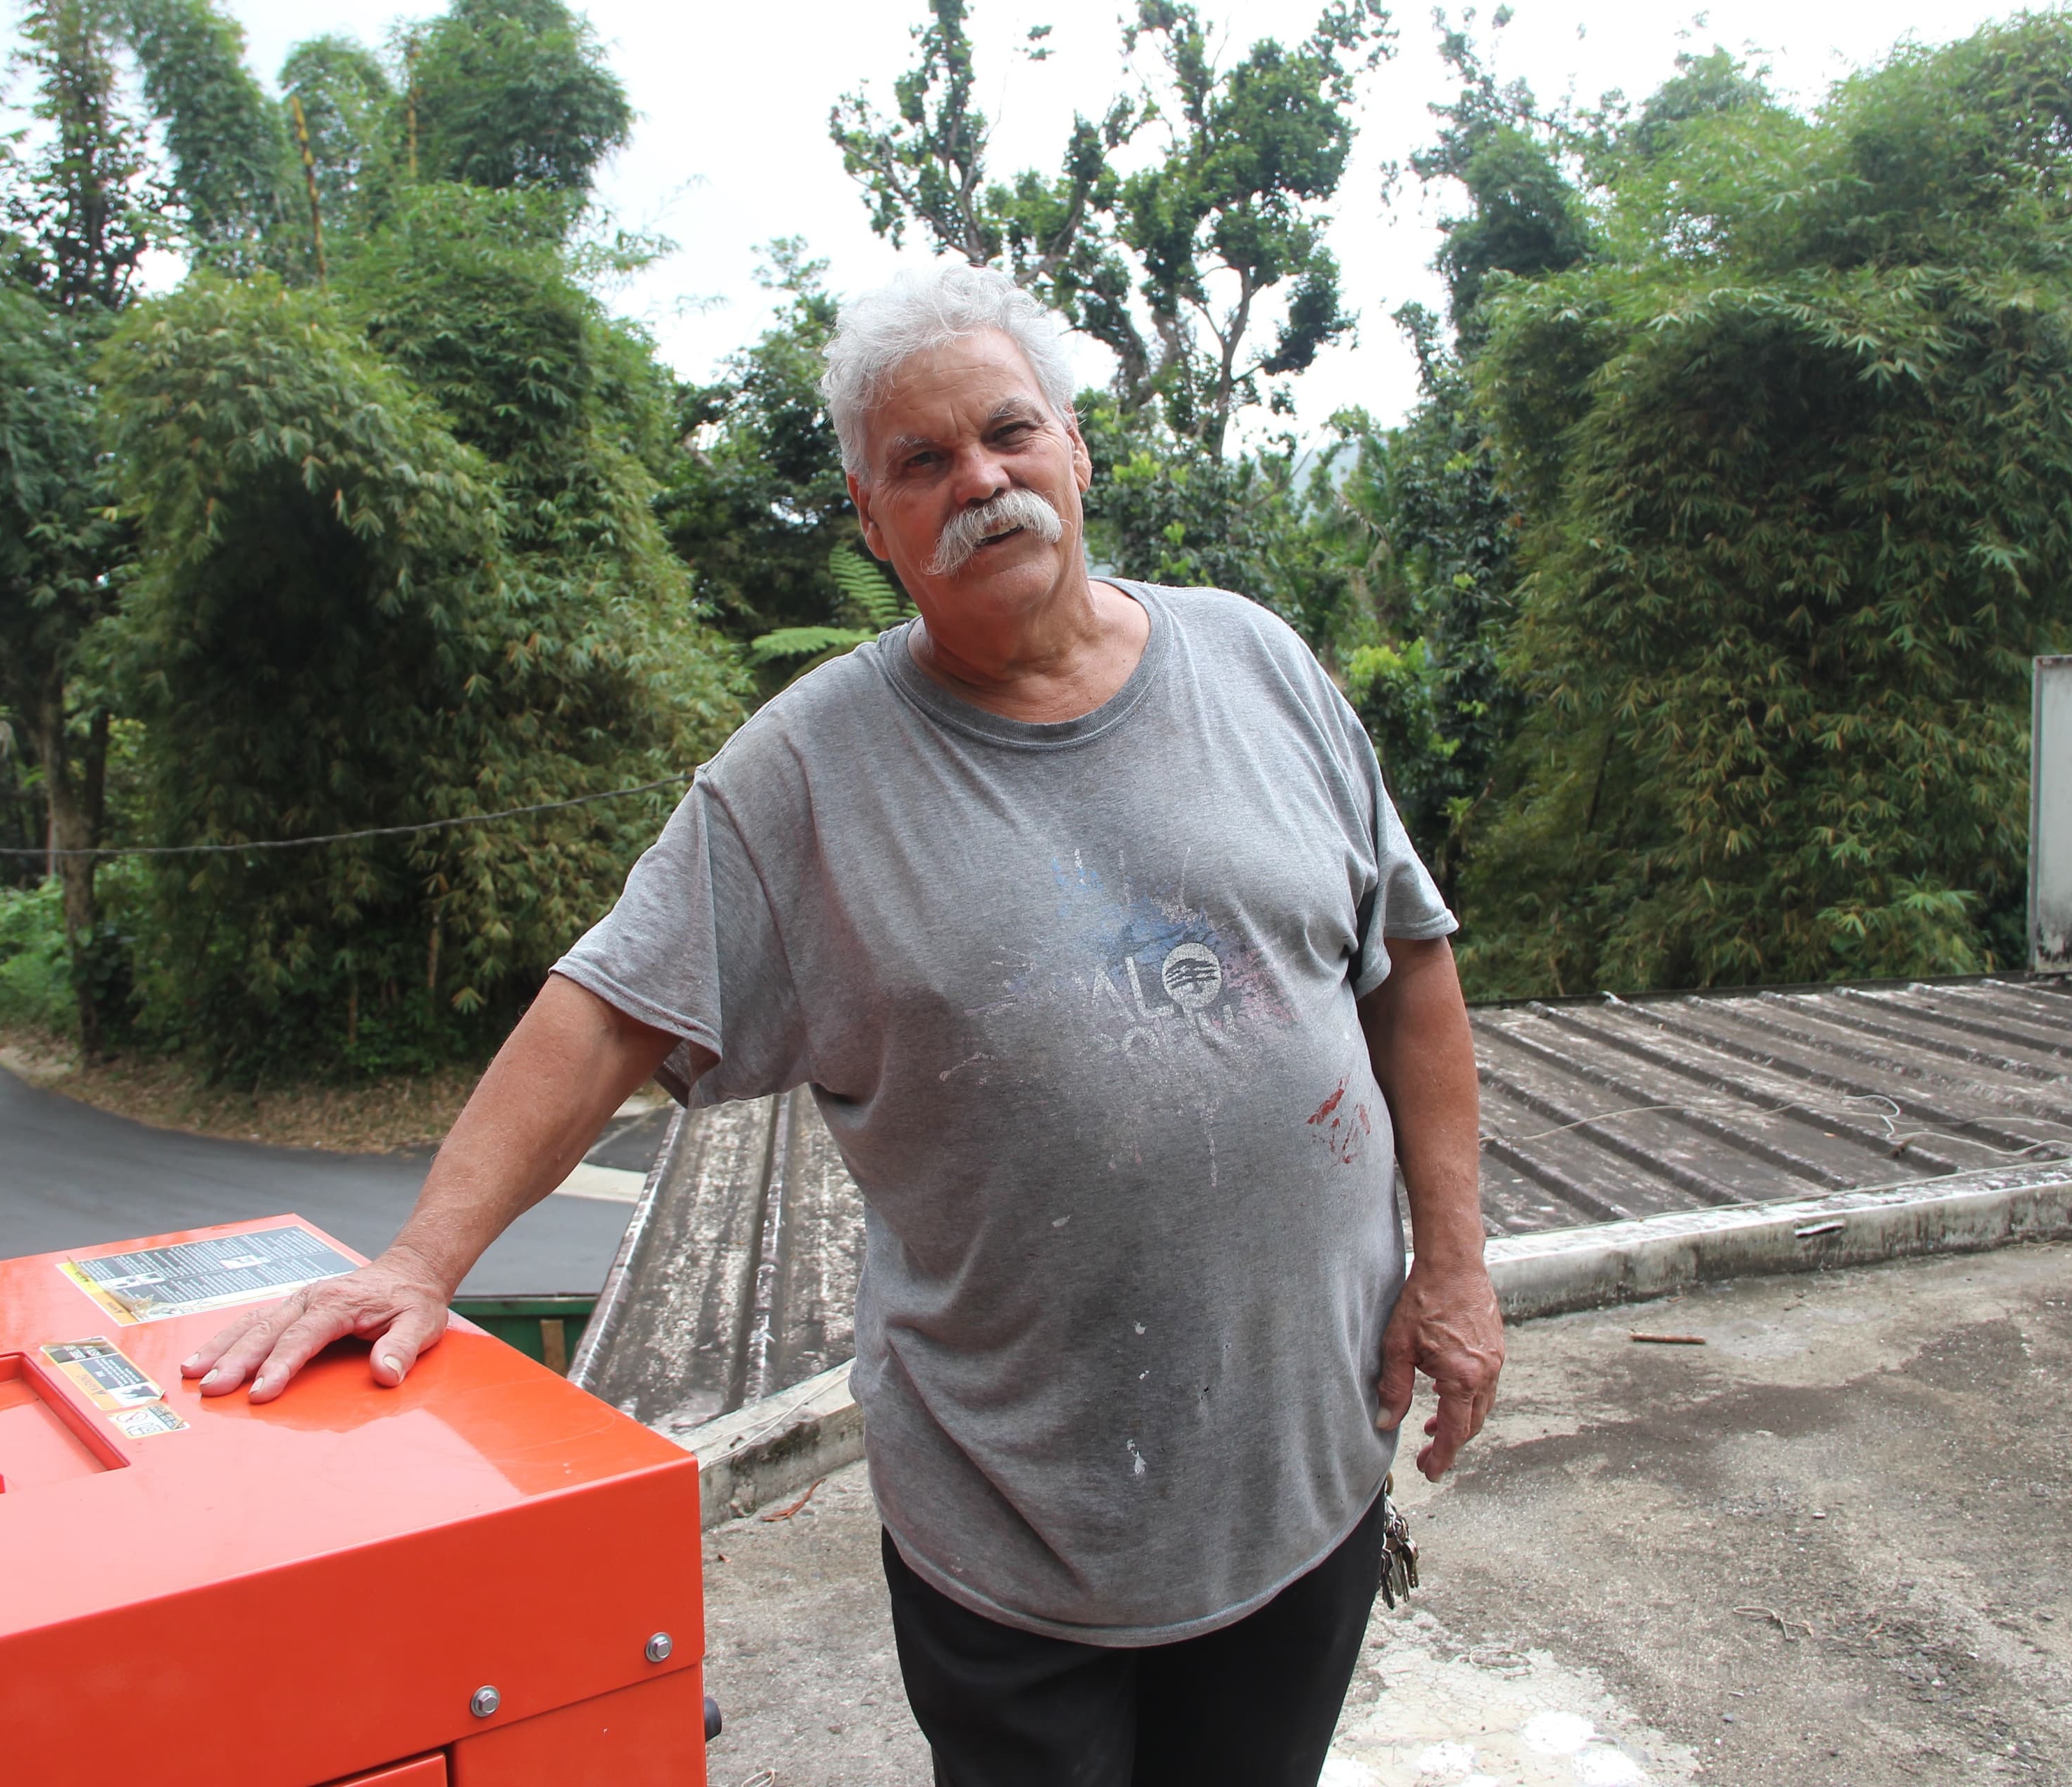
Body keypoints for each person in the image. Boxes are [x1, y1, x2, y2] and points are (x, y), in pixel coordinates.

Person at [183, 261, 1504, 1786]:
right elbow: (605, 1011)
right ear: (874, 525)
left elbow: (1409, 964)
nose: (981, 480)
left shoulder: (1259, 660)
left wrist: (1454, 1267)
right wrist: (420, 1260)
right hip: (1023, 1538)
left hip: (1302, 1481)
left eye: (1008, 432)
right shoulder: (804, 776)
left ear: (1076, 447)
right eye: (921, 462)